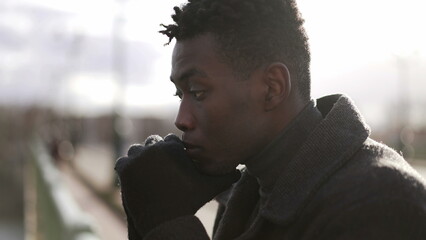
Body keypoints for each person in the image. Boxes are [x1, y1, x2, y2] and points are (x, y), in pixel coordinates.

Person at [114, 0, 426, 239]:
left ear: (272, 88)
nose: (182, 119)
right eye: (179, 95)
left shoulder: (378, 204)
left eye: (197, 92)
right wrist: (146, 212)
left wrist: (167, 222)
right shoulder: (245, 195)